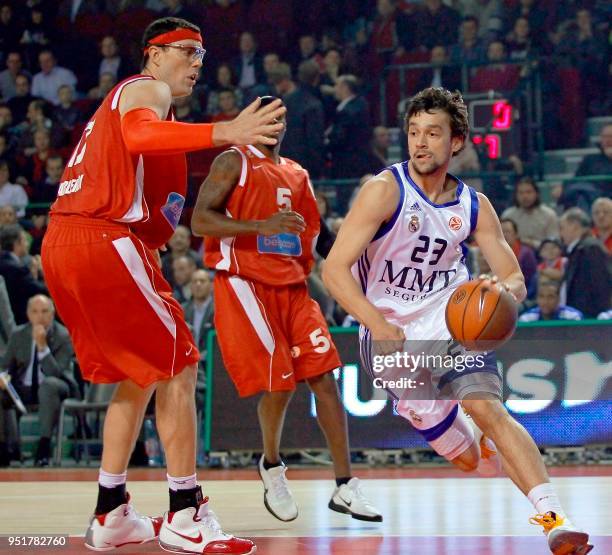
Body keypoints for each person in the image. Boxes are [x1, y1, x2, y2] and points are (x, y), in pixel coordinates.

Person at [41, 16, 285, 555]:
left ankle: (110, 513)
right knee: (180, 360)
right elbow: (137, 133)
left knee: (144, 373)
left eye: (203, 53)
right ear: (153, 54)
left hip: (66, 242)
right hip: (101, 237)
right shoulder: (142, 88)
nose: (198, 61)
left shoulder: (159, 126)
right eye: (186, 51)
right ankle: (185, 511)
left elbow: (157, 212)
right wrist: (227, 131)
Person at [322, 87, 592, 554]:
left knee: (489, 408)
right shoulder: (383, 191)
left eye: (433, 133)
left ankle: (555, 521)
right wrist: (376, 323)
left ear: (457, 142)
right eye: (413, 133)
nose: (420, 143)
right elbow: (333, 271)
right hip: (389, 336)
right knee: (471, 461)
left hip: (449, 320)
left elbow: (514, 277)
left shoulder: (474, 206)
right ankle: (485, 449)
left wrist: (499, 292)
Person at [192, 96, 382, 525]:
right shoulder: (232, 161)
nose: (274, 126)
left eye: (280, 119)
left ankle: (345, 485)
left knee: (325, 379)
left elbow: (319, 236)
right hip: (247, 282)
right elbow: (200, 221)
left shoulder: (298, 174)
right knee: (280, 384)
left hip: (294, 286)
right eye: (265, 119)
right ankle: (272, 465)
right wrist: (259, 227)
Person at [0, 294, 77, 466]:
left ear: (52, 314)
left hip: (56, 388)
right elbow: (4, 365)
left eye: (44, 311)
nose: (39, 316)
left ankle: (44, 447)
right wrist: (3, 377)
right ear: (28, 314)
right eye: (35, 312)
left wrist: (42, 346)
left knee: (48, 385)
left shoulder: (63, 335)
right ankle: (7, 449)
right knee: (2, 389)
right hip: (24, 388)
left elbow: (56, 373)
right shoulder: (19, 334)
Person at [559, 208, 611, 318]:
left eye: (562, 228)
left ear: (574, 226)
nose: (560, 233)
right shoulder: (577, 250)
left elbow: (600, 286)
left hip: (588, 318)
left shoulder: (591, 249)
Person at [501, 177, 559, 249]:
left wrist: (531, 243)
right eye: (521, 193)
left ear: (537, 194)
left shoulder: (549, 215)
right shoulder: (508, 215)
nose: (525, 196)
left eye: (529, 192)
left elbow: (554, 243)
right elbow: (501, 241)